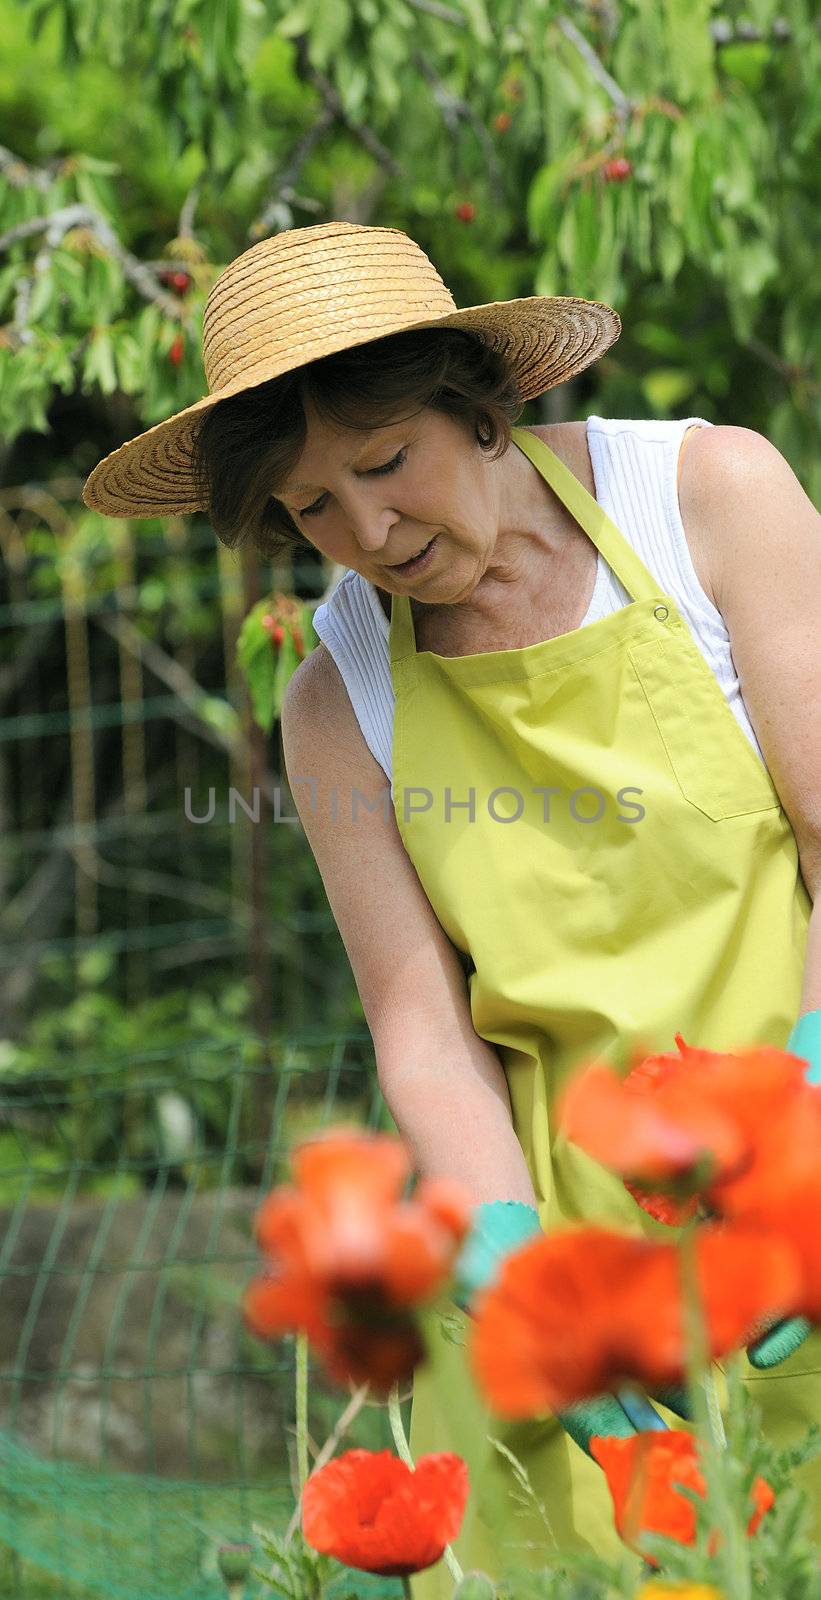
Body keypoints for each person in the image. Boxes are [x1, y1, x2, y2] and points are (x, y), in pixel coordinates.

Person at [83, 222, 821, 1592]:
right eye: (312, 509)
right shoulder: (334, 702)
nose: (366, 534)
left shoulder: (707, 498)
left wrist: (808, 1127)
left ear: (479, 405)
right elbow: (420, 1029)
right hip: (566, 1222)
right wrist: (513, 1263)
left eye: (382, 464)